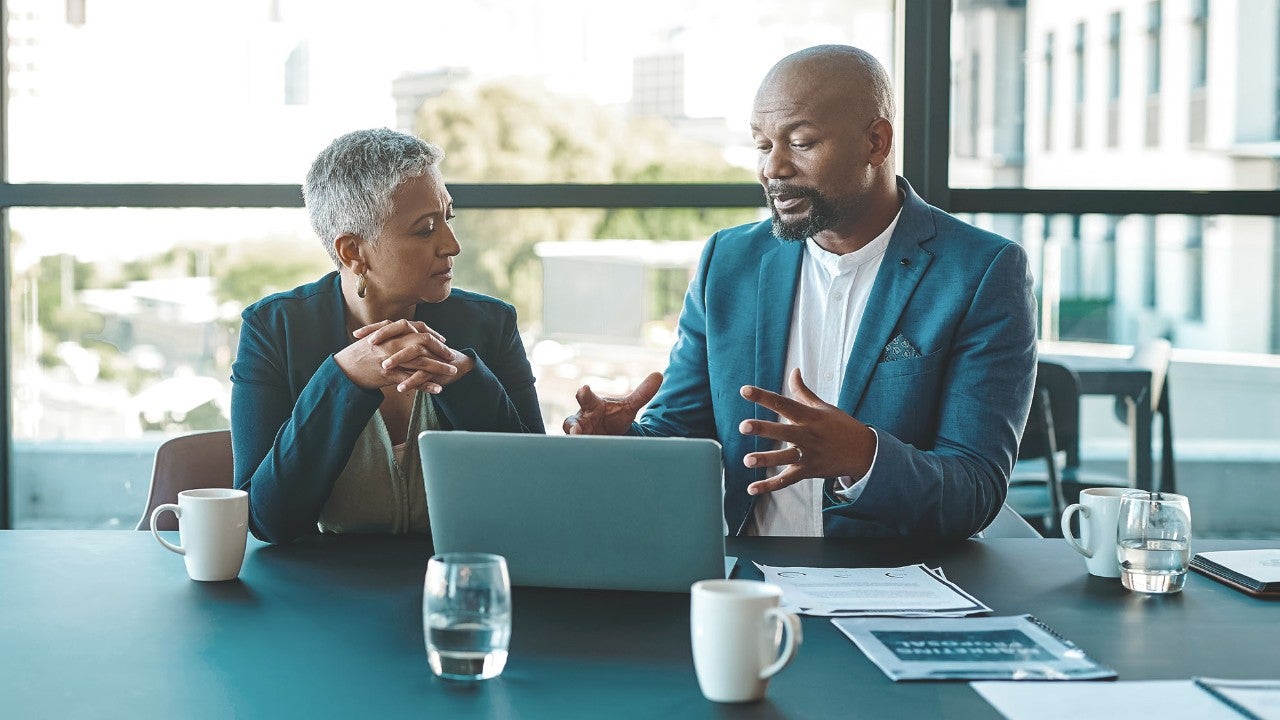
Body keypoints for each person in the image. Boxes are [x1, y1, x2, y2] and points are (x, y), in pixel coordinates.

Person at [564, 45, 1036, 540]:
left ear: (876, 142)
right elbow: (680, 434)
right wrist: (623, 443)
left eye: (802, 142)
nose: (774, 168)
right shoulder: (728, 261)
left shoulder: (982, 271)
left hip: (896, 584)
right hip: (747, 579)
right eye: (762, 145)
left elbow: (976, 490)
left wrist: (864, 458)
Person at [232, 128, 543, 544]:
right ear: (353, 253)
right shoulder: (273, 330)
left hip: (461, 577)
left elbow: (534, 490)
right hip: (324, 591)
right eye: (425, 229)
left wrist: (467, 378)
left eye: (447, 219)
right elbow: (267, 520)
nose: (452, 246)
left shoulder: (491, 324)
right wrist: (343, 379)